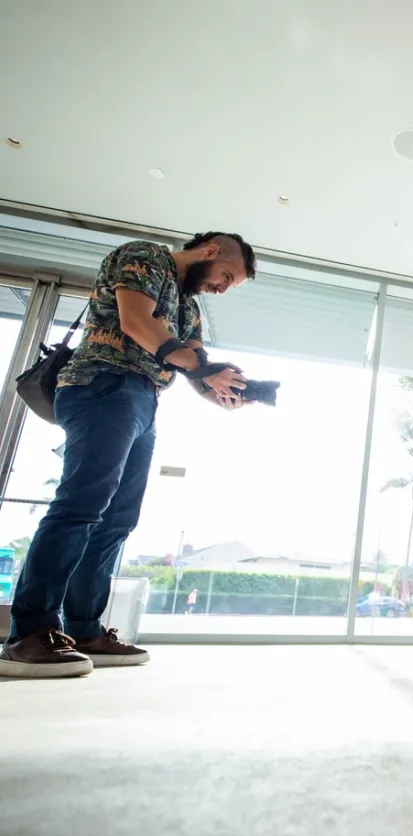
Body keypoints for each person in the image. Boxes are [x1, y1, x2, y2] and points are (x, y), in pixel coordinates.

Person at [0, 232, 256, 679]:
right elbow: (137, 322)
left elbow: (192, 359)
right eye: (225, 277)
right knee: (80, 506)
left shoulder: (189, 307)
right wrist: (199, 369)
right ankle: (29, 632)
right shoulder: (144, 257)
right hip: (102, 383)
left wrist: (217, 388)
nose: (220, 288)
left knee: (118, 518)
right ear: (210, 252)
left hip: (143, 399)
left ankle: (83, 629)